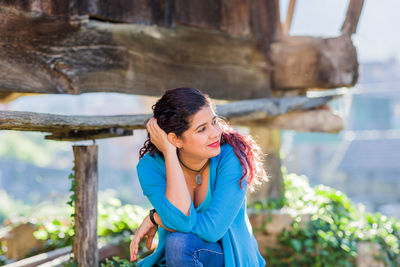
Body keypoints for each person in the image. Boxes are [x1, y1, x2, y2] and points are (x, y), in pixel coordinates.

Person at [130, 88, 268, 266]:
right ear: (175, 139)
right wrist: (170, 154)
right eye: (202, 129)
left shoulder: (231, 157)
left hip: (233, 260)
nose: (215, 133)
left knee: (179, 243)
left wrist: (156, 219)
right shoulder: (151, 167)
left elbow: (212, 230)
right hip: (183, 258)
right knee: (179, 244)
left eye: (214, 121)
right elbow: (181, 221)